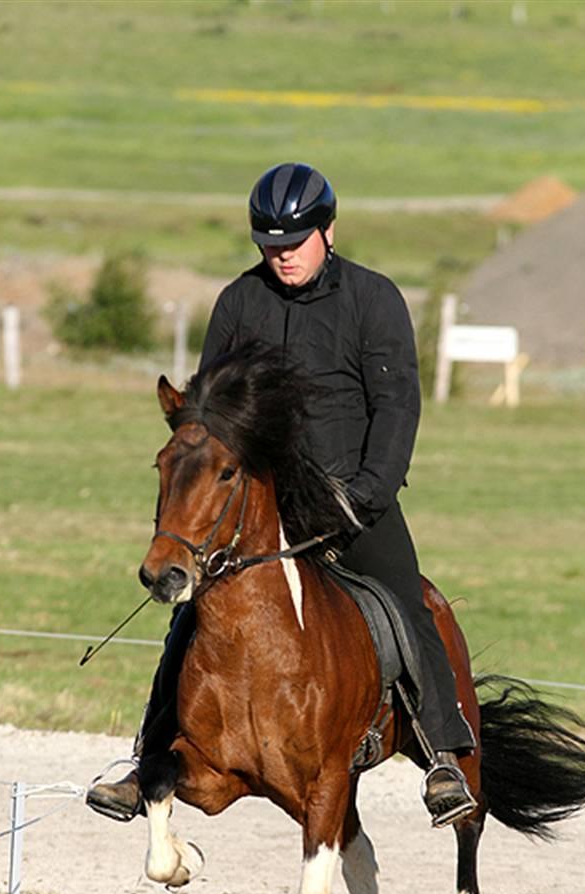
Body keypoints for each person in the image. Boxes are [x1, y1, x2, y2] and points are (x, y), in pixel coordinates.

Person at [87, 162, 476, 828]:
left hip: (356, 501)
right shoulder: (240, 302)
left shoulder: (374, 298)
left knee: (409, 603)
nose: (282, 256)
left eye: (293, 243)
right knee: (192, 616)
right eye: (268, 244)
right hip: (263, 508)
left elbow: (397, 405)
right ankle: (148, 760)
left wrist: (371, 492)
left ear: (327, 230)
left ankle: (442, 752)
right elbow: (206, 410)